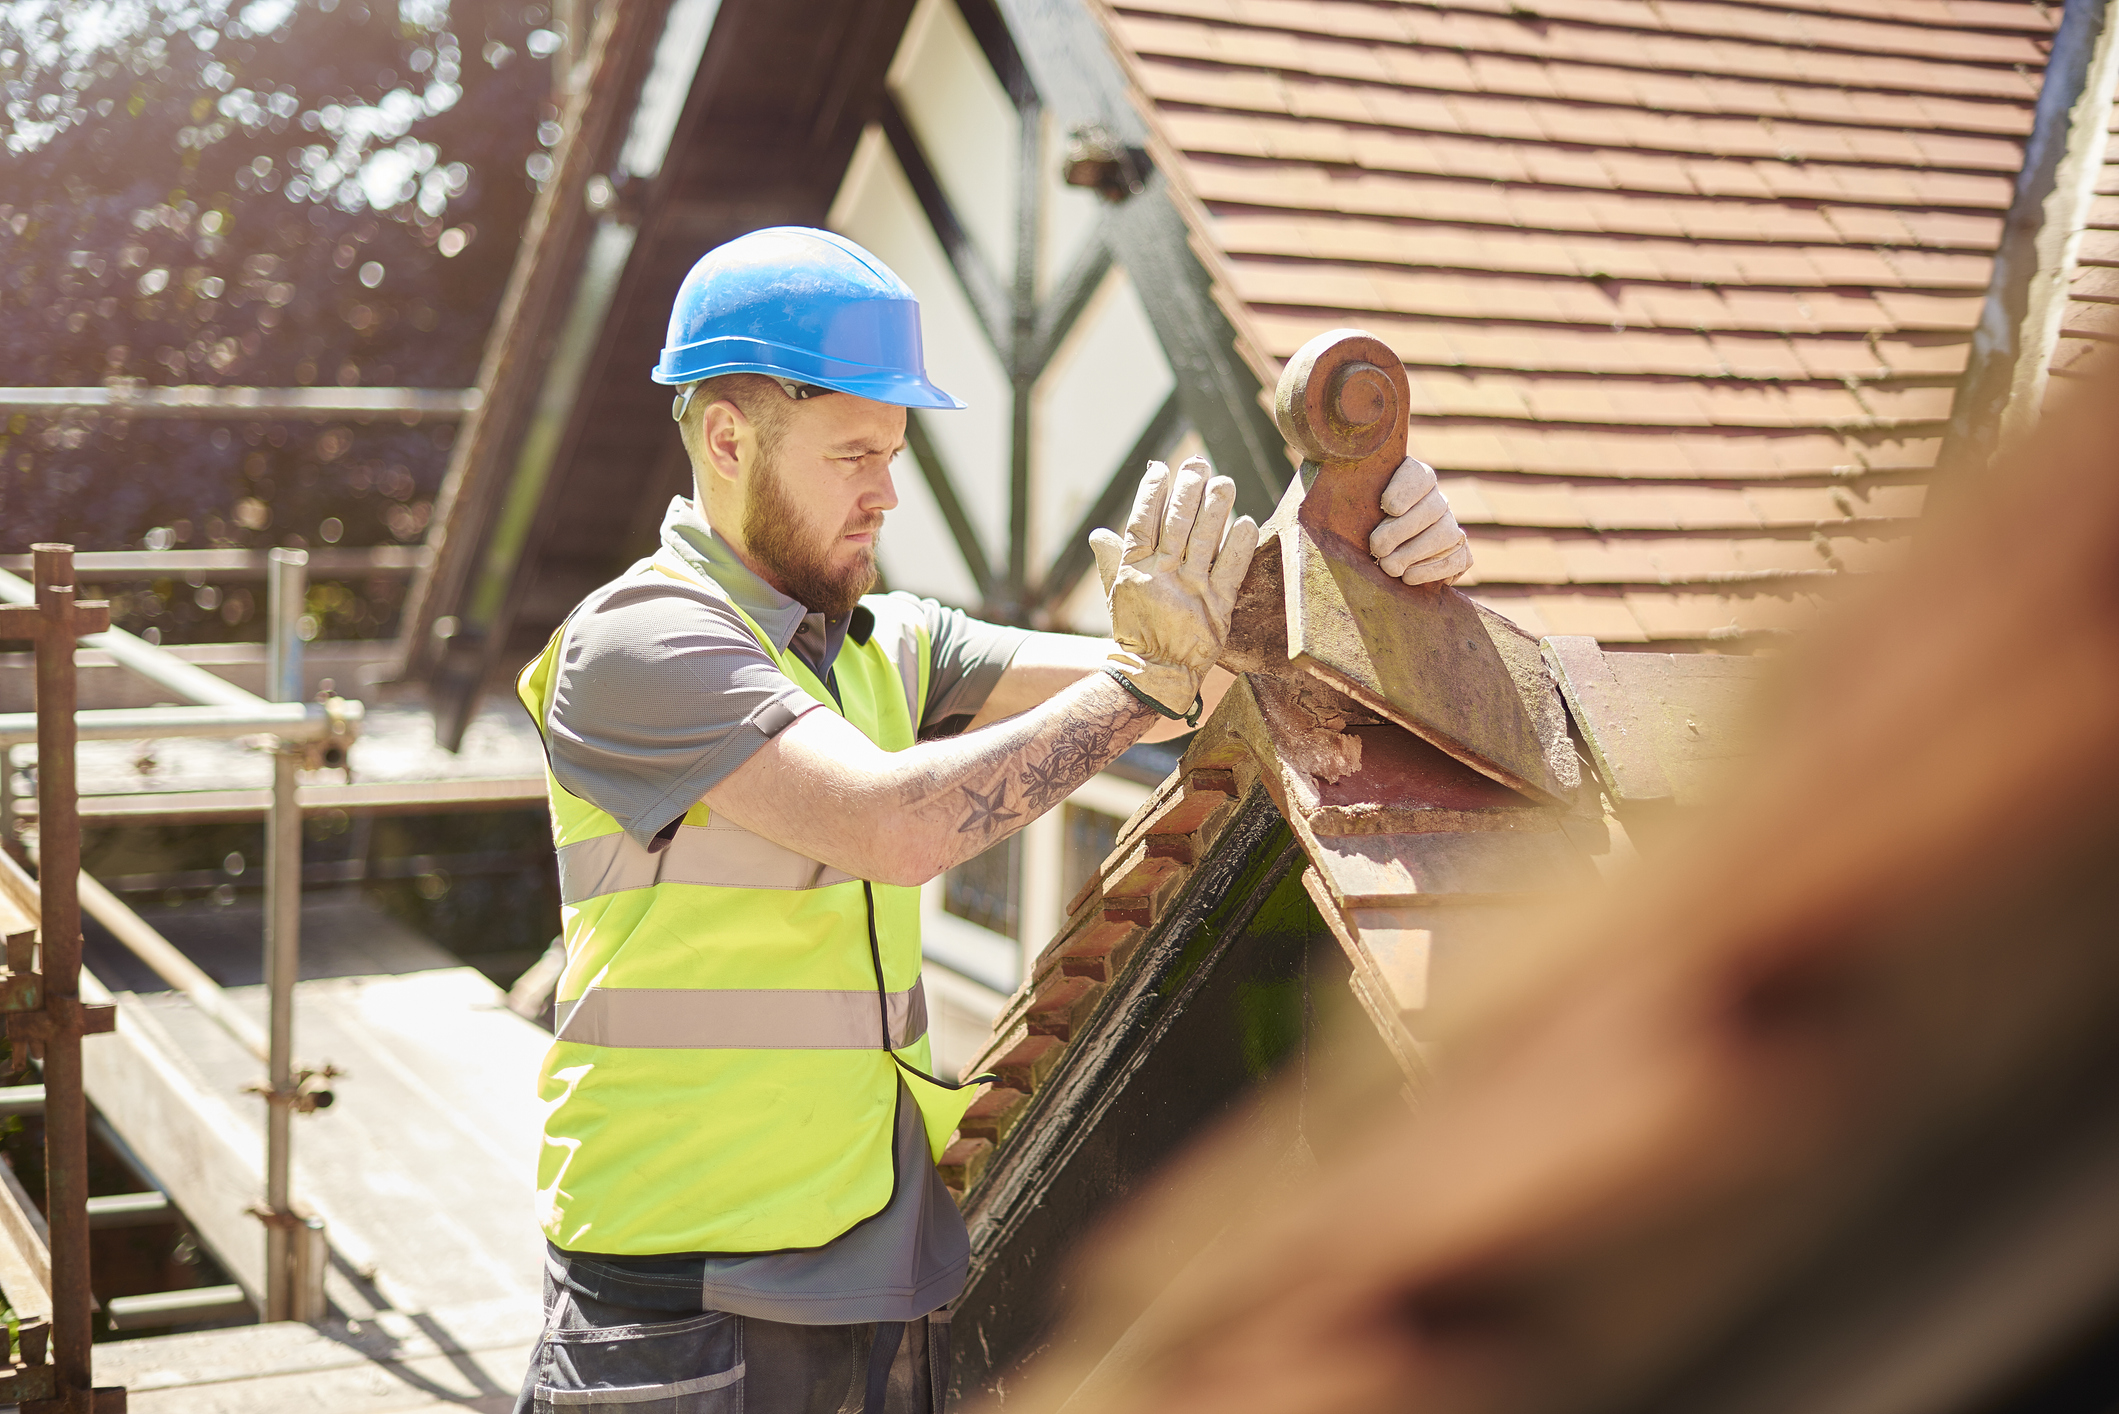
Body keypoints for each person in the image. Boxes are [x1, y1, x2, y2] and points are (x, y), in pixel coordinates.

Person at [510, 227, 1472, 1414]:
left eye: (895, 452)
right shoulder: (636, 643)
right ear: (726, 438)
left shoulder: (881, 642)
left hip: (870, 1275)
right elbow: (896, 824)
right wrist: (1139, 685)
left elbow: (1200, 676)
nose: (887, 490)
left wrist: (1367, 542)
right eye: (854, 453)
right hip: (680, 1305)